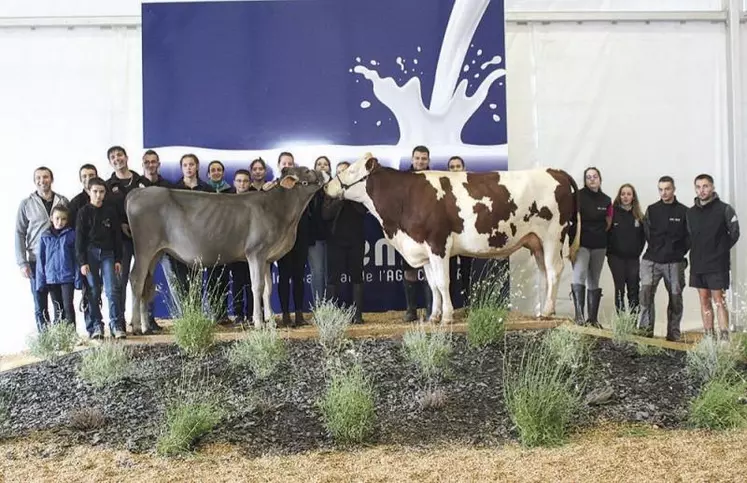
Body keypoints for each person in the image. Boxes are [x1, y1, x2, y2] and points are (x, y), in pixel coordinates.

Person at [686, 174, 740, 341]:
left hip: (717, 265)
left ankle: (724, 336)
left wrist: (719, 251)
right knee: (704, 300)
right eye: (699, 187)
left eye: (706, 186)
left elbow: (734, 233)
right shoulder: (690, 212)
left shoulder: (724, 209)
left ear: (712, 187)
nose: (702, 190)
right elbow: (689, 236)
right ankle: (709, 336)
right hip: (698, 264)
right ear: (695, 189)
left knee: (719, 300)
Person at [15, 166, 70, 332]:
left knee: (58, 302)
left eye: (45, 177)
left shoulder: (62, 201)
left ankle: (60, 337)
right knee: (40, 302)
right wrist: (22, 262)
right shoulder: (26, 204)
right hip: (35, 260)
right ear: (34, 181)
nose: (42, 181)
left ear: (51, 179)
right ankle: (45, 339)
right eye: (38, 178)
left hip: (58, 260)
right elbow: (19, 232)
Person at [637, 176, 690, 341]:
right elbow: (646, 231)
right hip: (651, 261)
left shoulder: (684, 211)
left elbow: (690, 236)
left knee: (675, 298)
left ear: (674, 189)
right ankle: (646, 333)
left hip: (674, 262)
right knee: (645, 295)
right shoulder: (652, 209)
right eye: (661, 189)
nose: (664, 192)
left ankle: (673, 334)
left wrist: (678, 252)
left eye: (667, 189)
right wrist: (656, 248)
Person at [75, 177, 125, 339]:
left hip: (108, 254)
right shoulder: (83, 212)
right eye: (95, 191)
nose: (98, 195)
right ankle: (96, 325)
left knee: (112, 290)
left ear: (105, 193)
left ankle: (116, 324)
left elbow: (117, 236)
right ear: (89, 192)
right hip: (90, 255)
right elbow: (79, 240)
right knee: (93, 291)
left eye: (101, 192)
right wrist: (82, 262)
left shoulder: (110, 211)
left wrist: (118, 259)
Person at [323, 161, 368, 324]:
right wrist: (340, 198)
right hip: (335, 241)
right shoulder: (330, 191)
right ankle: (330, 316)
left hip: (356, 240)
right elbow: (326, 214)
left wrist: (350, 194)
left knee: (357, 276)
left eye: (346, 171)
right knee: (333, 278)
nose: (342, 174)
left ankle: (357, 315)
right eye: (339, 172)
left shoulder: (359, 190)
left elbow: (363, 211)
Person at [570, 167, 611, 328]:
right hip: (581, 244)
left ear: (600, 179)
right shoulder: (578, 196)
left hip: (600, 245)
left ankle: (592, 319)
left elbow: (608, 222)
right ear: (585, 180)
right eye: (588, 177)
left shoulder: (606, 200)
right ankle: (579, 316)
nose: (592, 179)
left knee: (594, 280)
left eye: (594, 176)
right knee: (579, 276)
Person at [274, 151, 310, 327]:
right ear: (279, 166)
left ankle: (299, 314)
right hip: (280, 238)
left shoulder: (301, 187)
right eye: (284, 163)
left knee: (298, 277)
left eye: (290, 163)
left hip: (300, 236)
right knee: (283, 276)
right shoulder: (273, 187)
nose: (287, 166)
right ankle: (285, 315)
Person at [35, 205, 81, 328]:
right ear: (51, 218)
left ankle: (71, 336)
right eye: (57, 218)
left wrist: (78, 278)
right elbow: (41, 260)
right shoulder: (45, 237)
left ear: (67, 220)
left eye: (63, 219)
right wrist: (40, 282)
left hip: (67, 278)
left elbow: (76, 259)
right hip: (52, 279)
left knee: (68, 307)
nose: (60, 222)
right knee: (58, 308)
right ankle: (60, 337)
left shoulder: (71, 235)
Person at [402, 145, 433, 322]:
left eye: (424, 158)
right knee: (409, 270)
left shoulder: (435, 178)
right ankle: (411, 310)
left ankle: (430, 309)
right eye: (417, 158)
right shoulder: (403, 178)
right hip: (408, 232)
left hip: (430, 232)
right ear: (412, 159)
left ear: (428, 160)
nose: (420, 161)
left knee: (431, 269)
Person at [606, 183, 646, 315]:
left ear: (633, 197)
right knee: (619, 289)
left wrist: (636, 252)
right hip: (615, 257)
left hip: (633, 258)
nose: (625, 197)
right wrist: (609, 252)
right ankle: (622, 322)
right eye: (623, 194)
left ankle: (633, 323)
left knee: (634, 288)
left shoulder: (639, 216)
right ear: (619, 196)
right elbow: (606, 232)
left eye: (629, 194)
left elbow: (643, 238)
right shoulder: (613, 212)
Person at [227, 169, 255, 326]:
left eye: (245, 181)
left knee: (252, 282)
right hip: (233, 247)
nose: (242, 184)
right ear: (234, 183)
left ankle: (251, 314)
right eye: (239, 181)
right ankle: (238, 315)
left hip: (252, 246)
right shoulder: (228, 200)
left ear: (250, 183)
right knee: (237, 281)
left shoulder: (255, 199)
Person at [446, 155, 473, 305]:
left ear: (464, 168)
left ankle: (468, 305)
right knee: (448, 272)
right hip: (449, 235)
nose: (455, 169)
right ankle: (450, 305)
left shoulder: (471, 187)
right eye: (452, 167)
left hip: (466, 235)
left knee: (466, 271)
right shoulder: (443, 188)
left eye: (458, 166)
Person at [308, 155, 332, 304]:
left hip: (333, 237)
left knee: (330, 274)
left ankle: (329, 307)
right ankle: (319, 309)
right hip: (314, 237)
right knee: (317, 273)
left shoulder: (336, 187)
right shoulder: (309, 189)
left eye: (325, 164)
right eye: (319, 164)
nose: (322, 166)